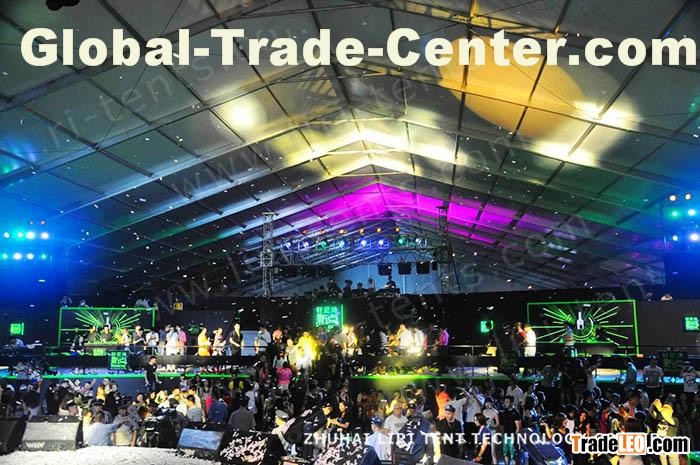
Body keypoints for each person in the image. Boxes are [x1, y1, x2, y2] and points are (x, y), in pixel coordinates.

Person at [498, 395, 522, 465]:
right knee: (505, 453)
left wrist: (515, 436)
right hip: (505, 435)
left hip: (512, 435)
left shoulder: (516, 413)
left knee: (513, 454)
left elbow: (518, 427)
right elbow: (502, 425)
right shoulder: (504, 412)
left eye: (507, 402)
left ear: (511, 402)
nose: (505, 403)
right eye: (505, 402)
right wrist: (502, 435)